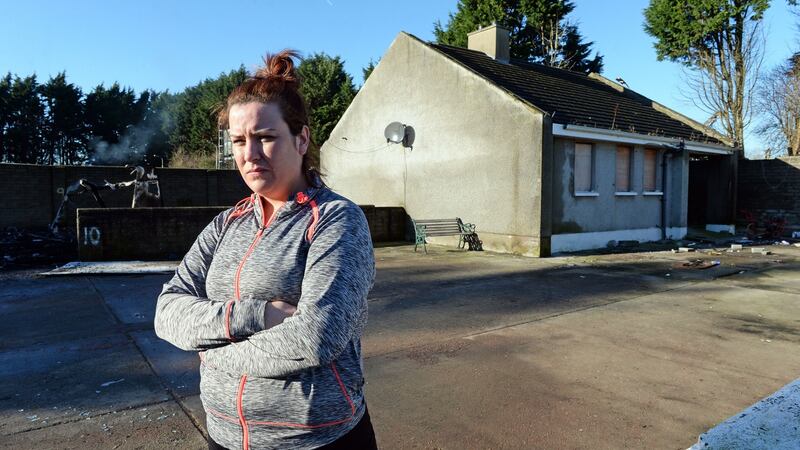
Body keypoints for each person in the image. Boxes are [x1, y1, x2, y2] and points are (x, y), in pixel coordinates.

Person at [154, 50, 377, 450]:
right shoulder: (226, 223)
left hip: (316, 438)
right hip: (224, 435)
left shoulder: (336, 220)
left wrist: (211, 355)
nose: (249, 155)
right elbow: (167, 312)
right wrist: (261, 314)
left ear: (302, 138)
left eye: (266, 138)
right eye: (239, 141)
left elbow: (315, 338)